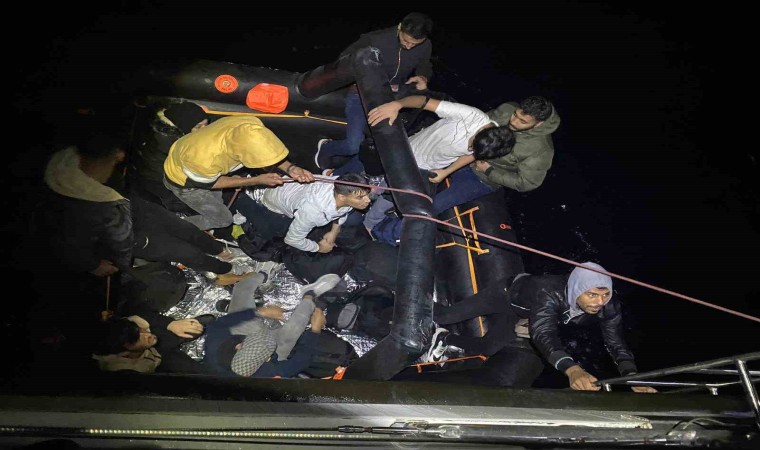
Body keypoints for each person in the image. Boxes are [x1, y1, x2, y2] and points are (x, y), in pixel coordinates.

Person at [42, 133, 254, 285]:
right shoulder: (68, 207)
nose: (119, 157)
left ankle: (220, 251)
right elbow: (66, 243)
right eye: (113, 157)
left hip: (138, 209)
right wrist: (92, 264)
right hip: (128, 236)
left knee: (186, 229)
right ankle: (225, 269)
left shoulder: (86, 160)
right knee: (186, 252)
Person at [424, 262, 657, 393]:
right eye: (592, 295)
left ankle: (444, 339)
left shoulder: (609, 306)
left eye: (605, 295)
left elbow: (617, 344)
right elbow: (544, 333)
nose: (599, 302)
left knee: (488, 347)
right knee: (445, 315)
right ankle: (410, 294)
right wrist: (573, 370)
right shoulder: (548, 292)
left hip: (526, 312)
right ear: (577, 289)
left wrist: (632, 376)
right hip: (505, 295)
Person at [340, 95, 515, 231]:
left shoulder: (485, 148)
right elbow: (425, 101)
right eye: (473, 144)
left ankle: (368, 225)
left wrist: (447, 172)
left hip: (423, 170)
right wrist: (397, 104)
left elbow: (470, 156)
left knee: (388, 200)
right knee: (369, 178)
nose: (470, 148)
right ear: (482, 131)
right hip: (406, 151)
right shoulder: (471, 116)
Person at [314, 12, 434, 171]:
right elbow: (343, 61)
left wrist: (423, 76)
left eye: (415, 44)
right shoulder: (374, 40)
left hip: (392, 99)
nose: (409, 46)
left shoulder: (426, 45)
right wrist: (365, 79)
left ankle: (346, 173)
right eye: (406, 41)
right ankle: (326, 147)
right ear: (400, 27)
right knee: (352, 146)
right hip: (361, 94)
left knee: (379, 148)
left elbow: (425, 65)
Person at [163, 115, 315, 231]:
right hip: (186, 184)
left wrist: (290, 168)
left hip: (203, 171)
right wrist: (254, 181)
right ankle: (176, 226)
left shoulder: (246, 124)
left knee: (217, 202)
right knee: (223, 220)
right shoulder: (204, 160)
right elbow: (213, 183)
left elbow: (265, 147)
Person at [431, 96, 560, 214]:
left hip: (481, 178)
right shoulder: (507, 108)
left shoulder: (541, 150)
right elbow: (480, 122)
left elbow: (527, 183)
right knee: (423, 167)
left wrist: (489, 171)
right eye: (515, 114)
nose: (513, 122)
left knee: (435, 205)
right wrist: (475, 135)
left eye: (523, 121)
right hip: (465, 153)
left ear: (539, 124)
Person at [204, 274, 341, 378]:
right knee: (292, 330)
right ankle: (309, 295)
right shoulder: (266, 374)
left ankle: (263, 273)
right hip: (275, 351)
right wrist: (315, 330)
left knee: (241, 289)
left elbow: (222, 323)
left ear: (239, 346)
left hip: (242, 332)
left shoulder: (214, 344)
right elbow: (301, 361)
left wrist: (260, 312)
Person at [233, 173, 371, 254]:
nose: (368, 200)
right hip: (272, 198)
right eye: (361, 197)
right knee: (270, 233)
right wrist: (319, 248)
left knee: (354, 219)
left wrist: (334, 232)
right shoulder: (313, 213)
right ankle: (246, 196)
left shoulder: (343, 185)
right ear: (342, 197)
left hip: (291, 189)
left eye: (367, 195)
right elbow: (292, 240)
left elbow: (344, 210)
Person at [128, 101, 209, 214]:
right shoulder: (170, 142)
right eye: (198, 126)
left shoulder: (174, 133)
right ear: (184, 125)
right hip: (158, 183)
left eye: (206, 124)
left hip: (156, 178)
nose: (204, 130)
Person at [93, 311, 216, 374]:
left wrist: (171, 324)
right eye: (136, 339)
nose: (147, 334)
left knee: (194, 328)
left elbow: (145, 316)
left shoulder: (128, 324)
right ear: (124, 353)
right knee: (199, 373)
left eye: (140, 330)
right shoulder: (125, 369)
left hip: (158, 341)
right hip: (159, 363)